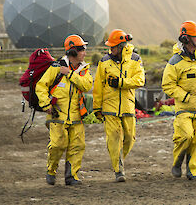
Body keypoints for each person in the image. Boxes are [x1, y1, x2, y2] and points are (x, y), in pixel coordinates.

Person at [162, 21, 196, 181]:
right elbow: (167, 85)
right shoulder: (175, 61)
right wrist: (185, 97)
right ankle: (177, 161)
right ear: (186, 39)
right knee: (186, 136)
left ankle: (193, 170)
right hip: (185, 109)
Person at [36, 34, 93, 185]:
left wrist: (70, 74)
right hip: (57, 115)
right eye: (82, 50)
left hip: (76, 116)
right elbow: (40, 86)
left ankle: (71, 176)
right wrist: (46, 105)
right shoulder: (55, 67)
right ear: (73, 52)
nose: (84, 53)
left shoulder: (83, 70)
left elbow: (86, 86)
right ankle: (51, 170)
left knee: (77, 146)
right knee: (57, 144)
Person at [93, 29, 145, 182]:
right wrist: (97, 108)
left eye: (113, 46)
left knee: (129, 138)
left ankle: (118, 158)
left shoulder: (135, 59)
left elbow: (140, 80)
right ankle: (118, 170)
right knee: (115, 137)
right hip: (109, 107)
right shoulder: (104, 61)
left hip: (128, 107)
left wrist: (121, 83)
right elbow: (98, 86)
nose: (111, 49)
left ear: (122, 46)